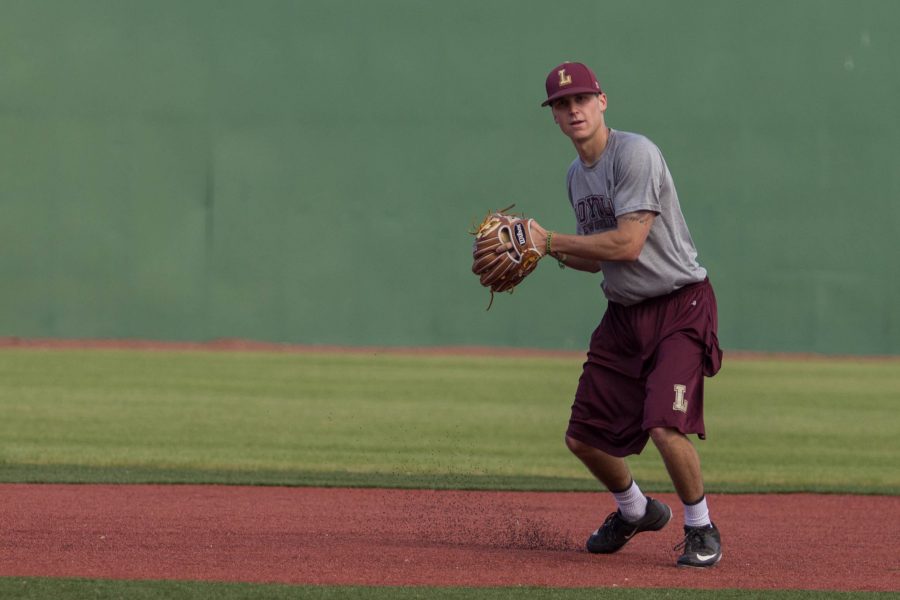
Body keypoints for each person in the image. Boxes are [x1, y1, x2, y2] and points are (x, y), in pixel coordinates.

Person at [528, 61, 724, 568]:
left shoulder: (635, 153)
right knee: (582, 438)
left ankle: (701, 528)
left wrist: (549, 238)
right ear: (553, 117)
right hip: (623, 314)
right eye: (562, 105)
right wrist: (540, 252)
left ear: (602, 102)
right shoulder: (576, 176)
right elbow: (595, 256)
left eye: (582, 100)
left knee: (663, 425)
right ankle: (635, 510)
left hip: (680, 304)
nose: (574, 110)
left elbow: (629, 243)